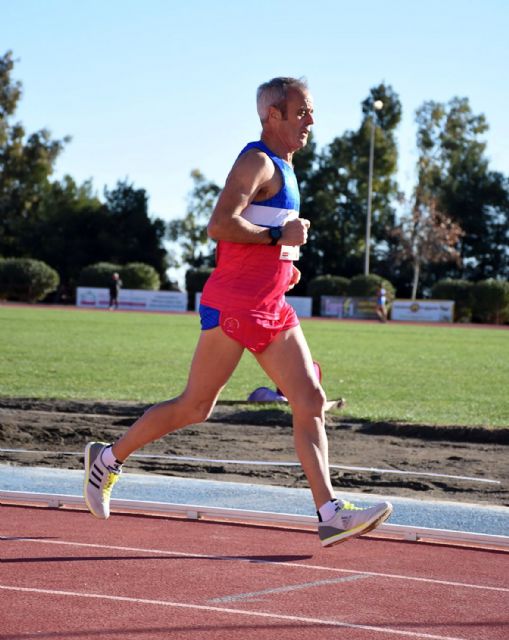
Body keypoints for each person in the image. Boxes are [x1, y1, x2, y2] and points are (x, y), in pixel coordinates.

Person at [84, 77, 392, 547]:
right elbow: (219, 223)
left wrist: (283, 263)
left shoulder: (287, 168)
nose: (312, 120)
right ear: (274, 114)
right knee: (195, 406)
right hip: (235, 304)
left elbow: (265, 234)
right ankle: (107, 459)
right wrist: (277, 238)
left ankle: (330, 513)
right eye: (303, 111)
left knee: (309, 400)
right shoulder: (257, 160)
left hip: (271, 305)